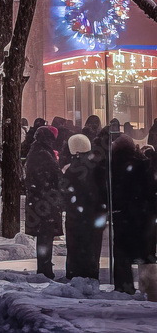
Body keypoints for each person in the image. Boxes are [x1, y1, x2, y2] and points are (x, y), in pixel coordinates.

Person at [110, 134, 157, 295]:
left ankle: (124, 287)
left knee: (122, 253)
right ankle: (150, 289)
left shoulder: (113, 166)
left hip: (123, 216)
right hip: (144, 216)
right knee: (147, 253)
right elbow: (151, 190)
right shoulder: (143, 165)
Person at [60, 134, 106, 281]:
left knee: (75, 249)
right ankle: (91, 275)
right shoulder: (97, 166)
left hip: (76, 217)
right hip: (93, 216)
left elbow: (65, 193)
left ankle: (75, 276)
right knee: (92, 249)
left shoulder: (71, 170)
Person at [25, 126, 63, 279]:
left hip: (39, 201)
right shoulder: (43, 154)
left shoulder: (36, 151)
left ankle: (45, 265)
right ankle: (45, 268)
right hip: (44, 203)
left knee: (44, 235)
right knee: (45, 235)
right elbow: (54, 176)